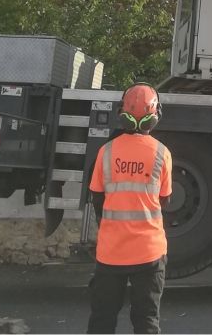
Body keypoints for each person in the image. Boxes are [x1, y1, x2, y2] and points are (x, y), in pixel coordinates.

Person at [87, 83, 172, 334]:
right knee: (146, 320)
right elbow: (164, 200)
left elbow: (97, 198)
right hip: (149, 252)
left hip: (111, 251)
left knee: (102, 319)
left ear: (121, 113)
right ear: (154, 116)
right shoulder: (161, 153)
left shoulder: (106, 151)